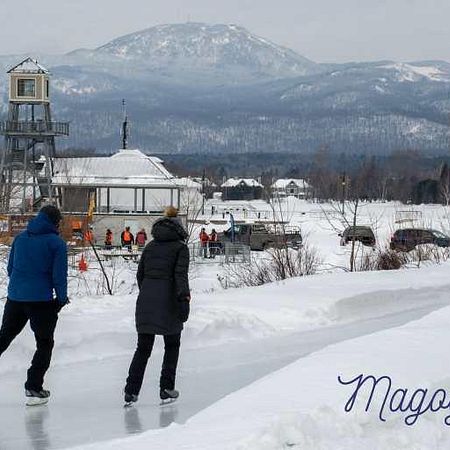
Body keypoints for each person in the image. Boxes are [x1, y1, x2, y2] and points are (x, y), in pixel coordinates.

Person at [0, 205, 69, 405]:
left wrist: (19, 288)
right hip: (40, 302)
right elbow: (59, 276)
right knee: (45, 343)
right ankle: (33, 387)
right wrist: (62, 299)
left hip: (15, 298)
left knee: (4, 337)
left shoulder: (20, 238)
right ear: (56, 222)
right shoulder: (56, 243)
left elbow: (10, 268)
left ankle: (34, 386)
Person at [124, 206, 190, 406]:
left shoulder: (150, 246)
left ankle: (131, 391)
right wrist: (184, 300)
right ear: (179, 229)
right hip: (169, 302)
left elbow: (140, 275)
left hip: (146, 301)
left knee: (143, 348)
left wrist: (148, 292)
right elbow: (180, 277)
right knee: (172, 345)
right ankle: (166, 388)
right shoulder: (180, 248)